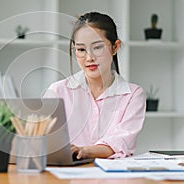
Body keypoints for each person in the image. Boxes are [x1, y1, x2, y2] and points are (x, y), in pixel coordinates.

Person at [44, 12, 146, 159]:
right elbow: (42, 142)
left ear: (115, 47)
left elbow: (122, 142)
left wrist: (85, 151)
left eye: (98, 47)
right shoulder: (58, 91)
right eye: (81, 49)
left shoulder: (132, 95)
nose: (89, 58)